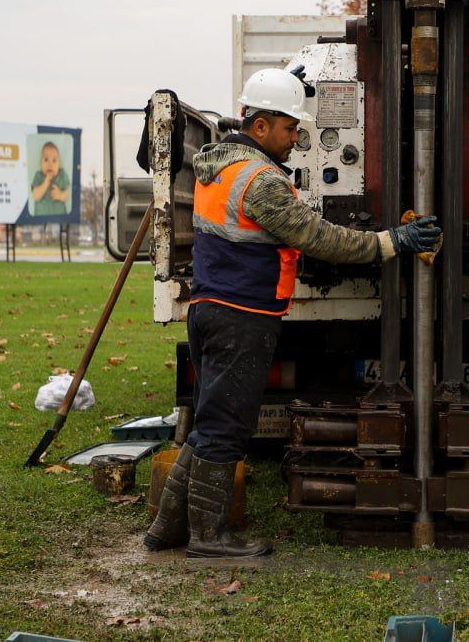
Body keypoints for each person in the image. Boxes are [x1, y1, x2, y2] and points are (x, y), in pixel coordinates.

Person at [144, 68, 441, 558]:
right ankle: (209, 537)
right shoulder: (259, 181)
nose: (296, 138)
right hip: (240, 316)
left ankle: (167, 530)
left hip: (212, 309)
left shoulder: (218, 168)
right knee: (227, 427)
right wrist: (394, 241)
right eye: (289, 128)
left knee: (208, 423)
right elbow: (319, 238)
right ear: (260, 126)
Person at [29, 141, 70, 216]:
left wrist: (60, 195)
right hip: (41, 218)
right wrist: (45, 183)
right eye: (46, 160)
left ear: (59, 164)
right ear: (40, 163)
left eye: (54, 160)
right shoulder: (38, 176)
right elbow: (35, 196)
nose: (50, 164)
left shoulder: (62, 175)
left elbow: (67, 194)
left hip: (60, 217)